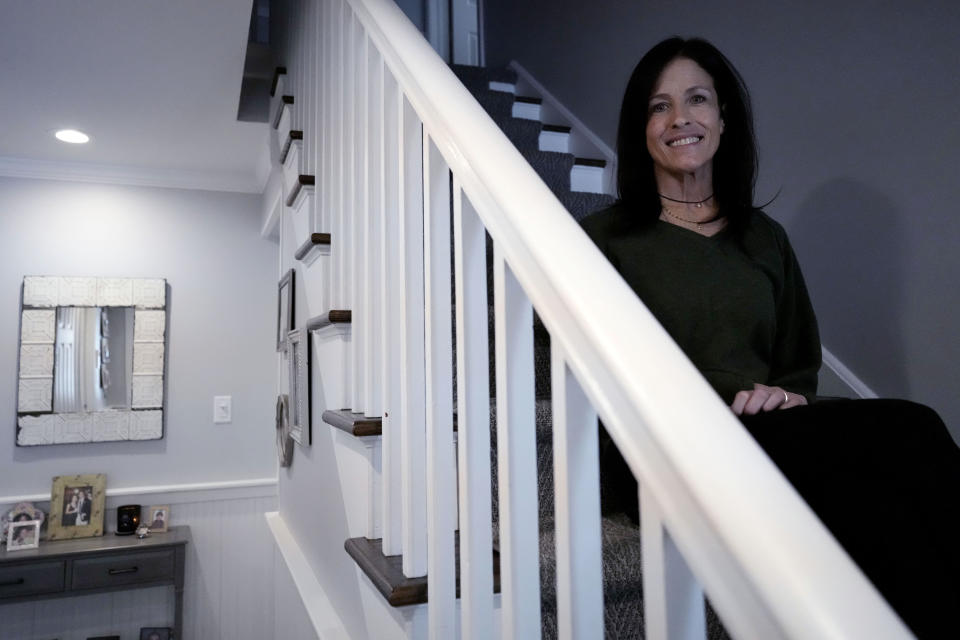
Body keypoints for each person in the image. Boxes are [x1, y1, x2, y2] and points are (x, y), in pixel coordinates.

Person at [581, 36, 960, 638]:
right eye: (659, 106)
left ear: (723, 120)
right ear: (641, 128)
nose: (681, 118)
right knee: (910, 431)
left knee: (884, 502)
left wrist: (783, 398)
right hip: (666, 444)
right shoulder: (605, 239)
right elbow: (591, 361)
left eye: (698, 100)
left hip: (767, 432)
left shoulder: (765, 239)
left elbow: (796, 363)